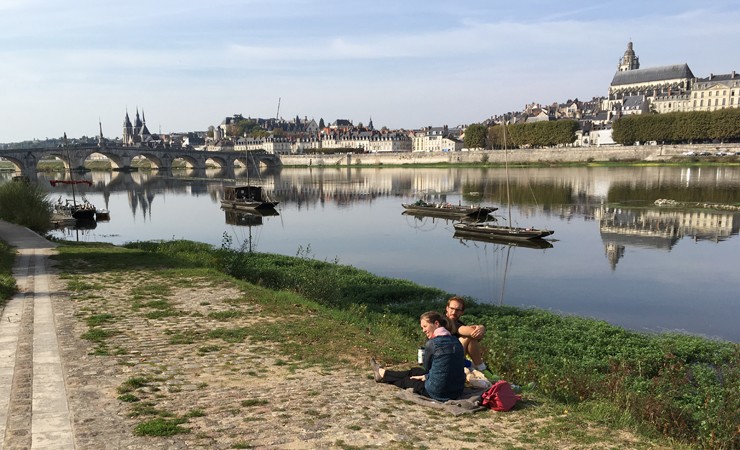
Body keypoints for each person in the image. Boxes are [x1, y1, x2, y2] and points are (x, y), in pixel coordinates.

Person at [371, 311, 465, 402]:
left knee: (407, 381)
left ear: (436, 323)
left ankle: (383, 374)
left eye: (425, 326)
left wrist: (426, 376)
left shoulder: (432, 343)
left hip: (437, 392)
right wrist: (426, 376)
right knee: (415, 371)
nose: (423, 330)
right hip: (457, 390)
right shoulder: (456, 341)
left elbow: (427, 368)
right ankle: (382, 372)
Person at [445, 296, 487, 372]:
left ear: (462, 312)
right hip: (443, 358)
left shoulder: (458, 323)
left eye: (457, 310)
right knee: (468, 338)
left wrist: (481, 328)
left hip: (452, 356)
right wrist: (482, 328)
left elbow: (476, 336)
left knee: (470, 339)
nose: (454, 312)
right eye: (452, 308)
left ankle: (480, 367)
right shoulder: (444, 321)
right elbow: (468, 331)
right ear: (447, 308)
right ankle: (482, 368)